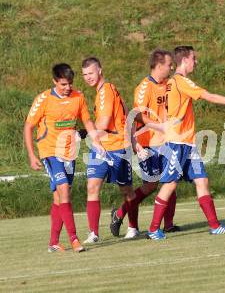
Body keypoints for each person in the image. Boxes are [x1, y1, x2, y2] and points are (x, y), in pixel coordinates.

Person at [146, 45, 225, 240]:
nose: (196, 62)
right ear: (185, 61)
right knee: (170, 184)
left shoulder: (172, 83)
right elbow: (210, 96)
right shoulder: (180, 81)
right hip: (177, 143)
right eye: (194, 58)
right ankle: (153, 229)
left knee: (202, 180)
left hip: (187, 143)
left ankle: (215, 226)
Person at [24, 63, 102, 252]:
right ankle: (74, 239)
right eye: (63, 85)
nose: (68, 88)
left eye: (70, 84)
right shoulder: (43, 99)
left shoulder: (78, 97)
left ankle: (53, 242)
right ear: (54, 81)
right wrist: (32, 155)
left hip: (69, 153)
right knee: (64, 190)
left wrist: (97, 142)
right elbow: (28, 126)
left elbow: (87, 121)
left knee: (59, 198)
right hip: (50, 152)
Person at [109, 49, 181, 237]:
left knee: (170, 181)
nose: (171, 67)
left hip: (167, 140)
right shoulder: (144, 87)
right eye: (168, 64)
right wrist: (141, 140)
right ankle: (119, 213)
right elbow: (137, 114)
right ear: (158, 66)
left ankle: (169, 224)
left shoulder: (168, 84)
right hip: (148, 142)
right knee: (150, 186)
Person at [81, 57, 138, 242]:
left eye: (91, 72)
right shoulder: (104, 91)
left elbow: (103, 123)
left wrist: (84, 131)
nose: (88, 77)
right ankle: (93, 233)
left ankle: (132, 227)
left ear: (100, 70)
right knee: (92, 186)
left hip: (116, 146)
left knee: (127, 191)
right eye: (84, 74)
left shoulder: (106, 90)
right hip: (101, 147)